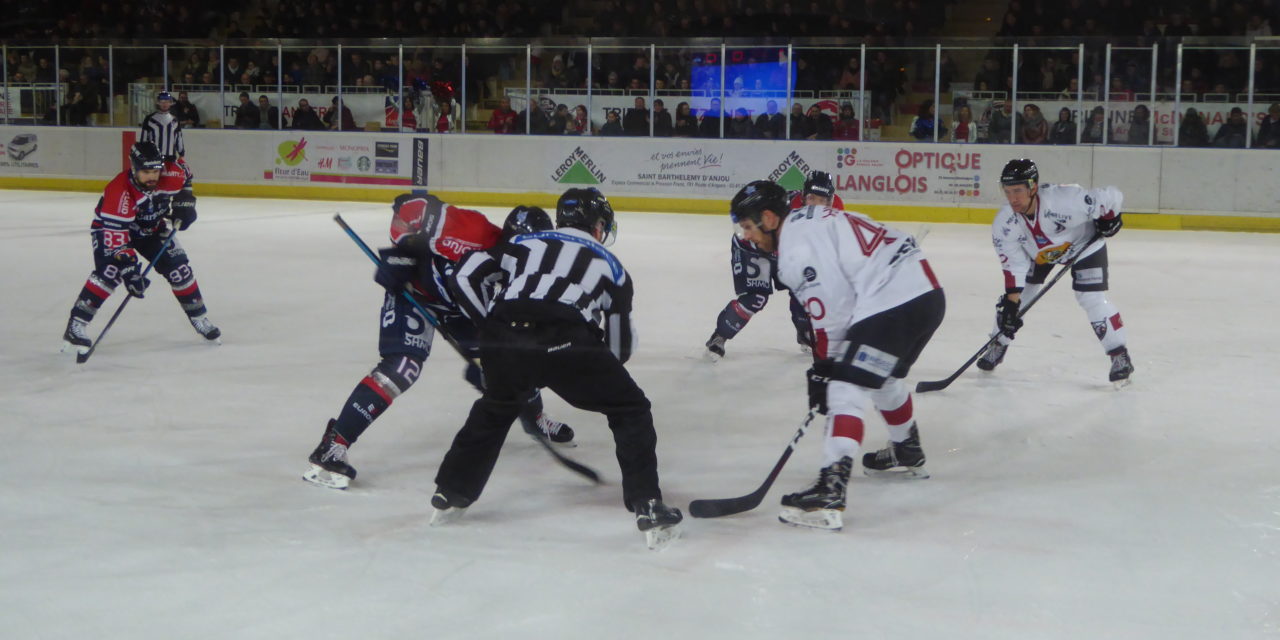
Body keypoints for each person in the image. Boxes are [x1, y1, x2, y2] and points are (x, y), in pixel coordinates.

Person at [429, 188, 683, 550]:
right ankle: (647, 503)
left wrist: (490, 328)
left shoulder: (524, 243)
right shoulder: (612, 267)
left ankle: (450, 492)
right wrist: (588, 361)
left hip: (505, 337)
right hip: (567, 340)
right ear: (598, 227)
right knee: (630, 409)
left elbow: (466, 274)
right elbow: (620, 347)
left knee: (496, 406)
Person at [303, 194, 575, 490]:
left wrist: (494, 362)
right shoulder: (473, 229)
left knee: (510, 358)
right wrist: (403, 253)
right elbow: (412, 205)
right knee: (403, 367)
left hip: (459, 307)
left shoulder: (530, 274)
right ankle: (334, 444)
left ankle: (534, 417)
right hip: (416, 293)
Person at [726, 179, 945, 531]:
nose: (748, 237)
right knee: (880, 376)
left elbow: (835, 318)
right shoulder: (806, 220)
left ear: (769, 218)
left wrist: (826, 370)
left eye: (749, 227)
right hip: (926, 295)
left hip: (895, 300)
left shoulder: (796, 251)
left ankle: (831, 489)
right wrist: (826, 367)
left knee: (846, 384)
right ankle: (907, 449)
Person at [978, 159, 1133, 387]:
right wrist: (1012, 303)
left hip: (1083, 247)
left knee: (1091, 298)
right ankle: (998, 344)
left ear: (1033, 187)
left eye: (1018, 190)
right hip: (1039, 253)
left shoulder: (1064, 200)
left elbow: (1111, 196)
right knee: (1016, 301)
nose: (1013, 198)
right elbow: (1013, 264)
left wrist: (1111, 219)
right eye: (1008, 191)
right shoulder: (1005, 223)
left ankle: (1119, 355)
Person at [61, 142, 219, 355]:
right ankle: (76, 324)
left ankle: (199, 318)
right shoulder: (119, 192)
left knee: (179, 269)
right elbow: (117, 242)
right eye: (146, 172)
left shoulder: (171, 173)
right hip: (112, 230)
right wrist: (130, 272)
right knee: (111, 272)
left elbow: (186, 174)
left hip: (152, 228)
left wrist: (185, 201)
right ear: (134, 168)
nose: (152, 176)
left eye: (155, 171)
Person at [704, 171, 843, 362]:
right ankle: (719, 337)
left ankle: (805, 334)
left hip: (785, 253)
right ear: (803, 196)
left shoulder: (836, 212)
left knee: (805, 292)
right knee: (756, 298)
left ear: (830, 200)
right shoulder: (784, 208)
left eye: (822, 199)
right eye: (812, 198)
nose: (817, 204)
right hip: (754, 249)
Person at [140, 91, 185, 162]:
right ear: (158, 102)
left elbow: (178, 138)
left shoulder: (175, 120)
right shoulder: (149, 119)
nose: (165, 104)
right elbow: (144, 139)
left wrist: (181, 154)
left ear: (170, 103)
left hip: (171, 158)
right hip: (154, 156)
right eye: (162, 101)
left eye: (167, 101)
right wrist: (143, 154)